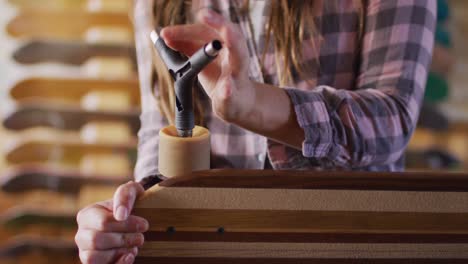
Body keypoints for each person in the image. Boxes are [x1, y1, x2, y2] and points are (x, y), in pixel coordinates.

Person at [75, 1, 436, 263]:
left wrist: (252, 105)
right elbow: (161, 124)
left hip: (348, 243)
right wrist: (132, 219)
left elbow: (391, 122)